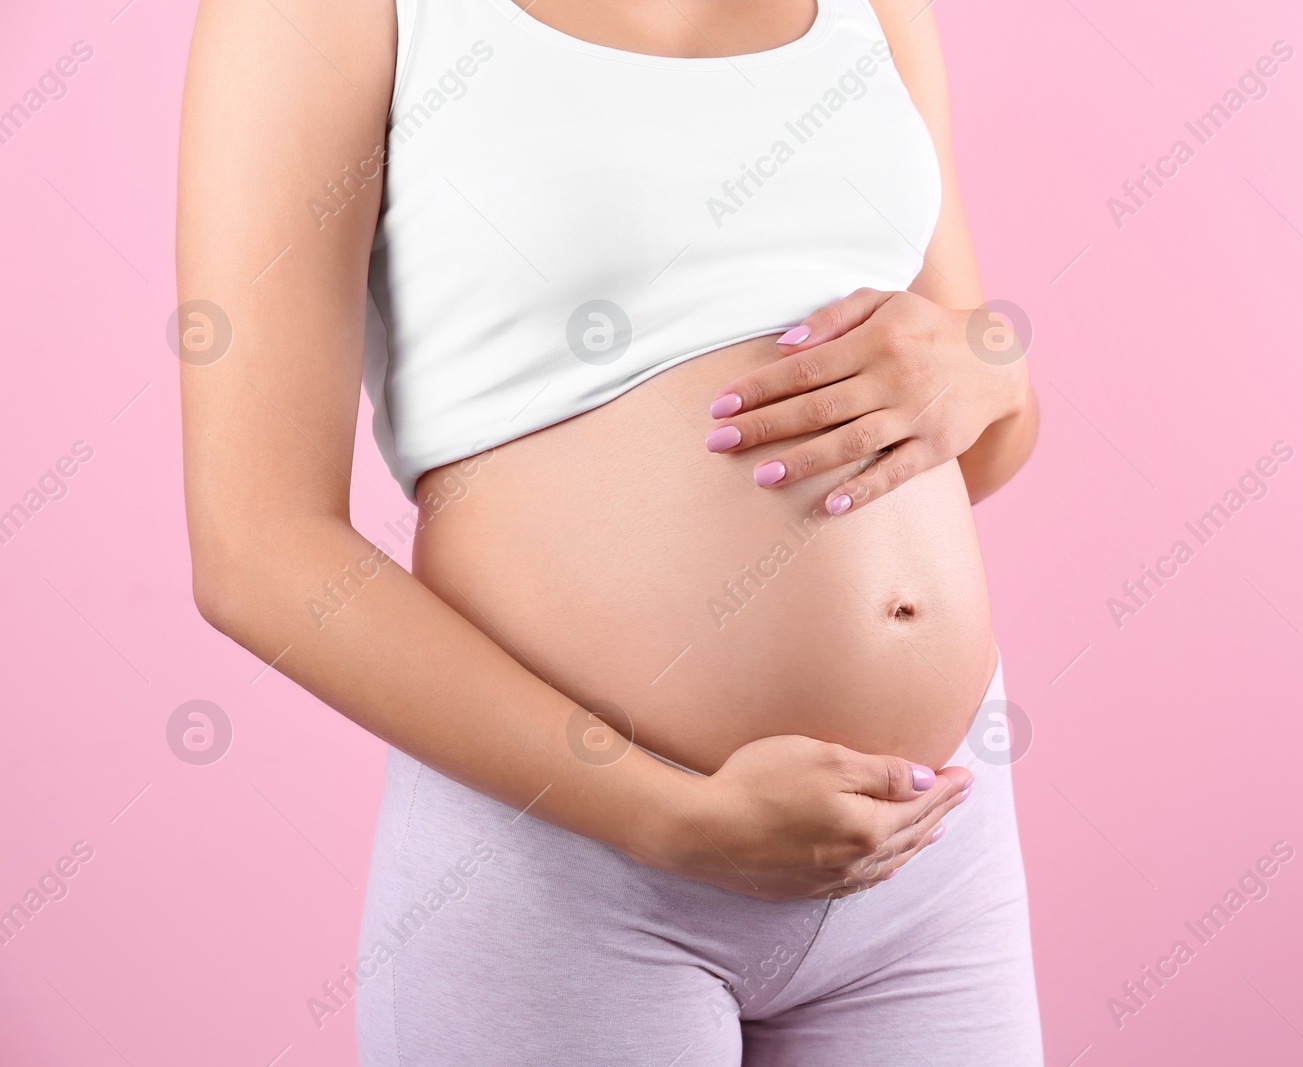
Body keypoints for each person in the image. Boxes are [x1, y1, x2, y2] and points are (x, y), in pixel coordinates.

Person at [177, 0, 1042, 1061]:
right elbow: (256, 548)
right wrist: (666, 817)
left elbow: (982, 432)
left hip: (924, 851)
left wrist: (992, 363)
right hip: (572, 861)